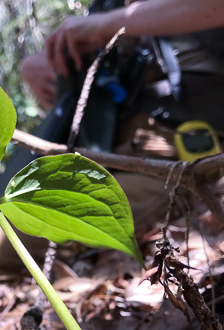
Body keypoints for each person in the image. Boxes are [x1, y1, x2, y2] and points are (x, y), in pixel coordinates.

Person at [20, 0, 224, 229]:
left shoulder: (109, 16)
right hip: (107, 149)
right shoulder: (106, 6)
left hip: (178, 149)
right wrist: (38, 63)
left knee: (22, 229)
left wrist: (106, 25)